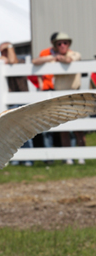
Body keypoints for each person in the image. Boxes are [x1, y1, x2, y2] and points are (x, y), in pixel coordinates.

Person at [33, 32, 85, 164]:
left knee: (79, 129)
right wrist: (52, 57)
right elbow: (35, 61)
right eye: (59, 43)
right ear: (55, 46)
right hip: (60, 96)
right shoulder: (54, 56)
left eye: (65, 43)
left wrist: (56, 58)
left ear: (69, 44)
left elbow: (69, 60)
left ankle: (82, 156)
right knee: (64, 129)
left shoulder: (74, 54)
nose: (62, 45)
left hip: (75, 95)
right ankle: (68, 157)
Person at [0, 42, 33, 166]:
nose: (4, 53)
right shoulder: (1, 63)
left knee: (24, 131)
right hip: (9, 102)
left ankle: (28, 158)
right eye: (2, 51)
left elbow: (13, 60)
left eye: (6, 50)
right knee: (10, 134)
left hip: (22, 101)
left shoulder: (20, 61)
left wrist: (9, 47)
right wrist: (2, 57)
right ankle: (15, 159)